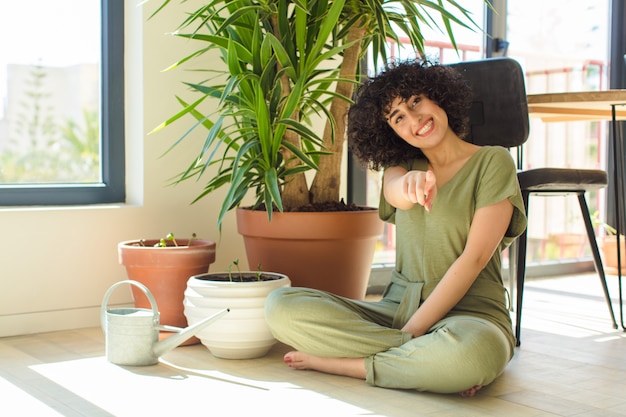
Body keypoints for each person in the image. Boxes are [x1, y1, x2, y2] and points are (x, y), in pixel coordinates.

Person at [264, 59, 527, 397]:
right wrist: (411, 184)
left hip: (472, 314)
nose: (414, 119)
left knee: (468, 354)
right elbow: (396, 191)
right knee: (280, 307)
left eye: (415, 101)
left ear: (437, 95)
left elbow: (474, 259)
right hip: (398, 308)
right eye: (398, 117)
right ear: (390, 131)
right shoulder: (400, 168)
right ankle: (421, 364)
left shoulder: (494, 161)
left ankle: (349, 365)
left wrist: (414, 332)